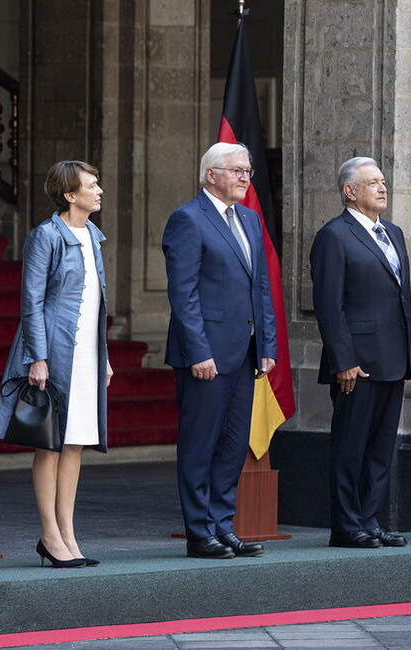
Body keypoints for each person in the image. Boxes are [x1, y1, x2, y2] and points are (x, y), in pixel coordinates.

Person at [0, 160, 114, 568]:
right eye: (91, 186)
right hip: (54, 351)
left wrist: (106, 356)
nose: (99, 191)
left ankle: (68, 533)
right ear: (70, 195)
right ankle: (49, 533)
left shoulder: (94, 236)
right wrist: (37, 358)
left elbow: (97, 308)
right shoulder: (45, 236)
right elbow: (32, 302)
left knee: (75, 442)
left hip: (86, 355)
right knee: (50, 441)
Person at [162, 142, 278, 559]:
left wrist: (266, 344)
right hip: (205, 355)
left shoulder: (248, 219)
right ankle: (198, 531)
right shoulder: (187, 220)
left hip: (244, 352)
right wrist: (199, 352)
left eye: (248, 171)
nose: (246, 178)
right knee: (200, 444)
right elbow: (184, 294)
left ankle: (222, 524)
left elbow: (259, 287)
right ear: (211, 175)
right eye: (237, 171)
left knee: (232, 444)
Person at [309, 157, 411, 549]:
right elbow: (328, 304)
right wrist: (344, 360)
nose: (383, 188)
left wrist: (405, 357)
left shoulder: (395, 233)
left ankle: (369, 520)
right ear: (349, 192)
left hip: (392, 359)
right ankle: (346, 525)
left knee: (381, 447)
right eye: (373, 183)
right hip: (357, 362)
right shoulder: (334, 235)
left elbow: (400, 300)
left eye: (384, 181)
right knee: (351, 446)